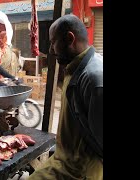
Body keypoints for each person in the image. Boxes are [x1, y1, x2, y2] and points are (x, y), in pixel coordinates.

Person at [28, 14, 103, 179]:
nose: (50, 50)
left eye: (53, 42)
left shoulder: (94, 78)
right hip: (63, 160)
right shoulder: (75, 68)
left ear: (70, 39)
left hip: (78, 171)